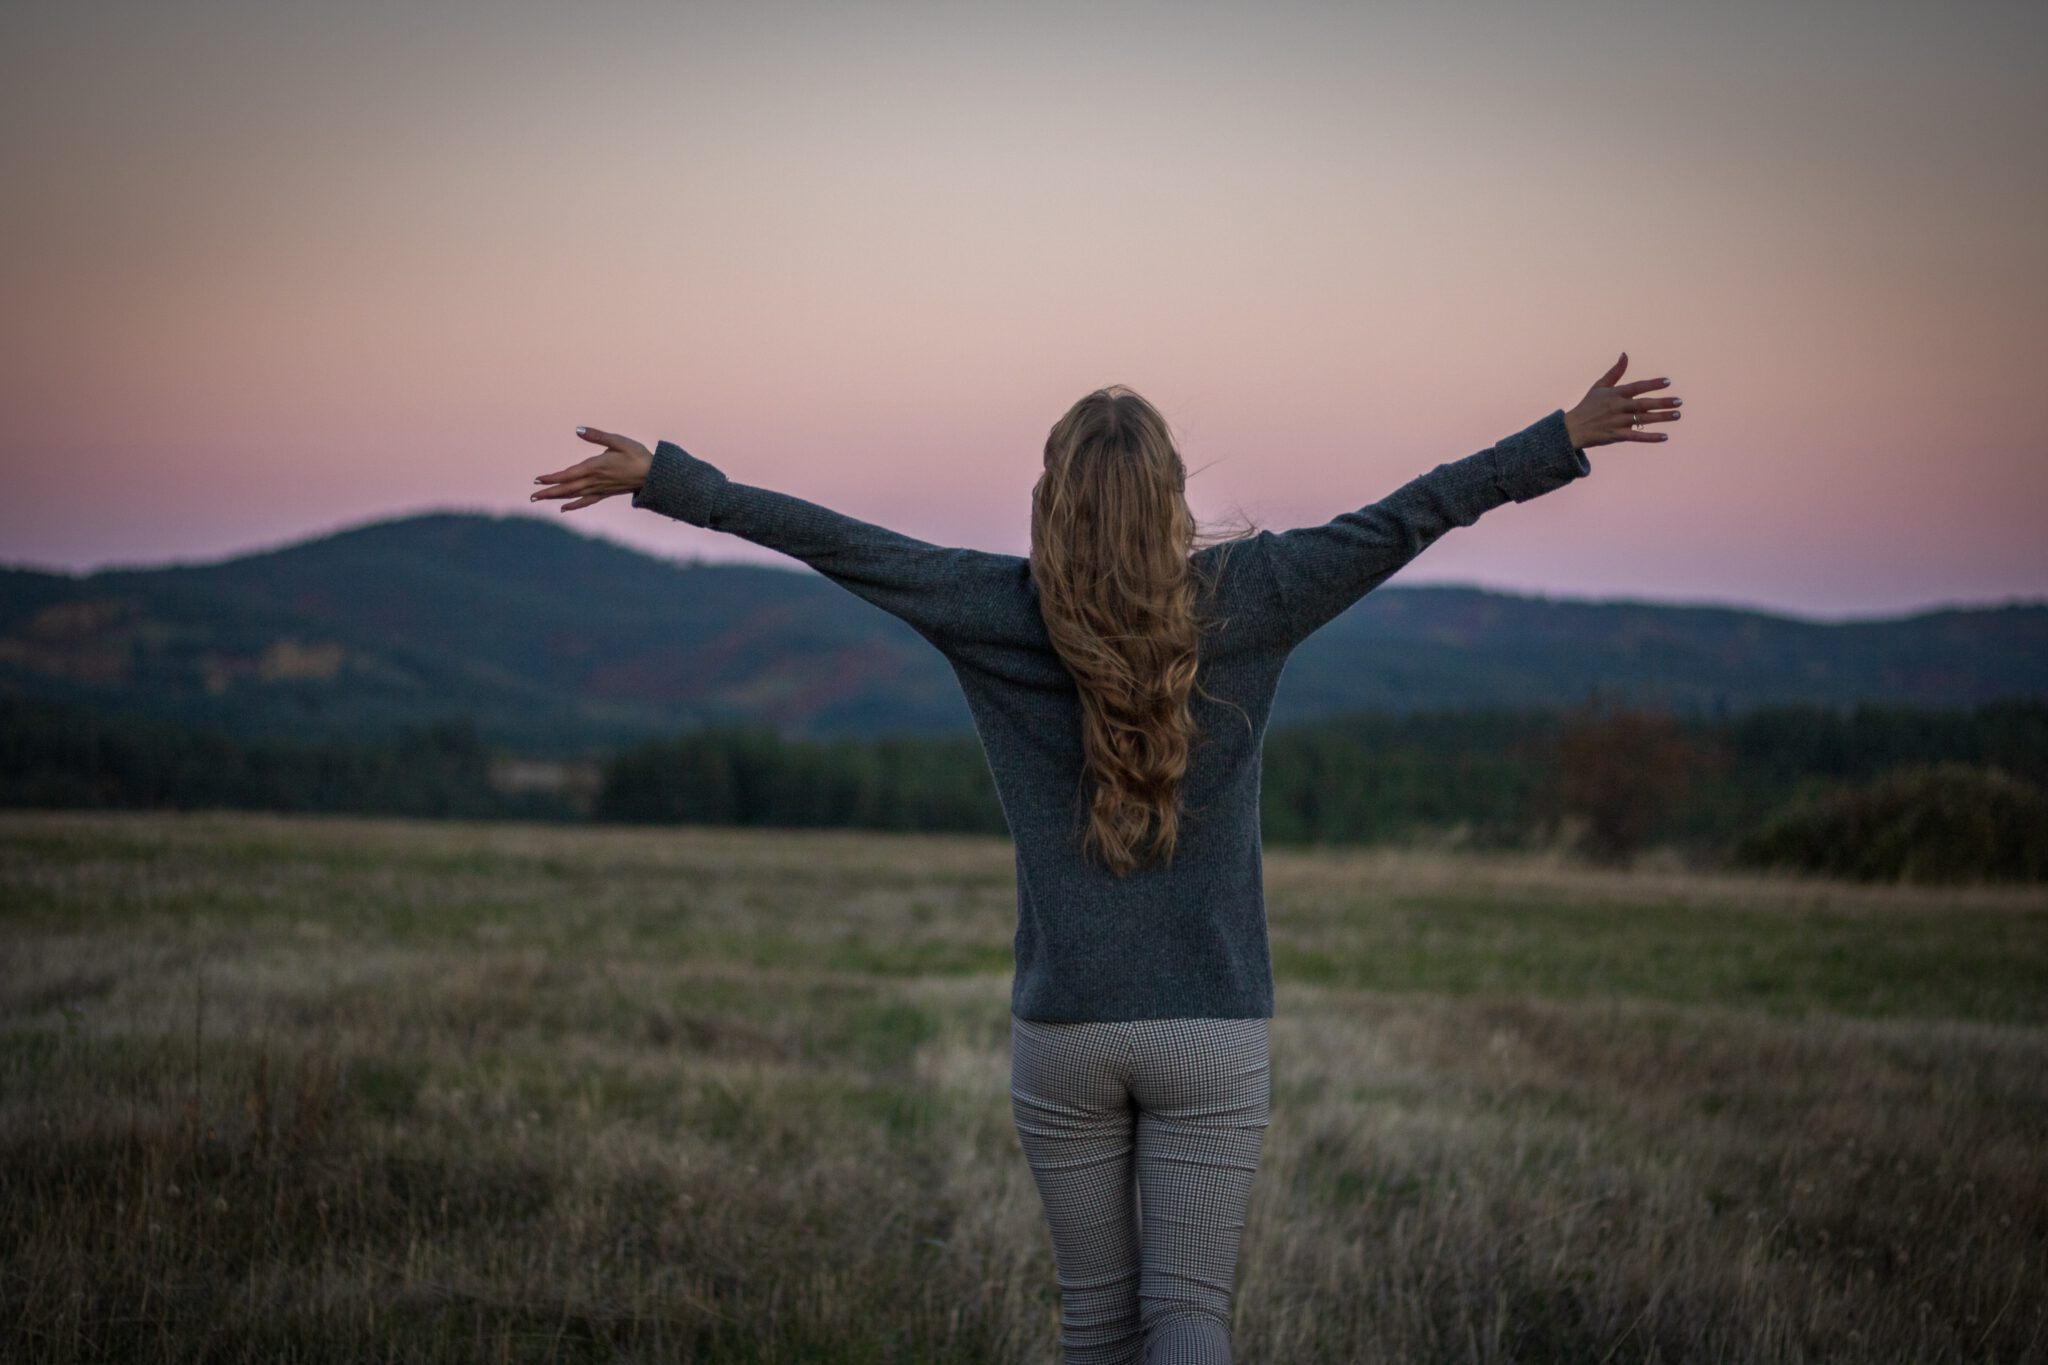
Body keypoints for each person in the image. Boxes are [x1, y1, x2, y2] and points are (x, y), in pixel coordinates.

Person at [529, 353, 1681, 1363]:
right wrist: (1557, 439)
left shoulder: (989, 604)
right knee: (1186, 1316)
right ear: (1172, 498)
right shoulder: (1258, 592)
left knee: (1094, 1324)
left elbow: (837, 543)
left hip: (1065, 1026)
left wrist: (668, 482)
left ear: (1051, 500)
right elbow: (1409, 516)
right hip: (1210, 1026)